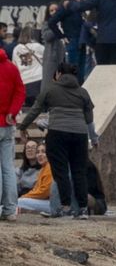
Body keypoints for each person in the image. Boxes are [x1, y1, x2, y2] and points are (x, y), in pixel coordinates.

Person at [19, 63, 97, 218]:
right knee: (79, 171)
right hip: (79, 134)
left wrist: (23, 126)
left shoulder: (50, 90)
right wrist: (94, 138)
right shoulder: (83, 92)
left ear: (58, 74)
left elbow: (35, 109)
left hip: (57, 133)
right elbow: (89, 120)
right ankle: (82, 209)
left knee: (60, 172)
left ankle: (65, 206)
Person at [0, 45, 23, 220]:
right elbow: (20, 92)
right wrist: (12, 112)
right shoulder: (11, 67)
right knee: (8, 167)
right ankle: (10, 209)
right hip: (7, 123)